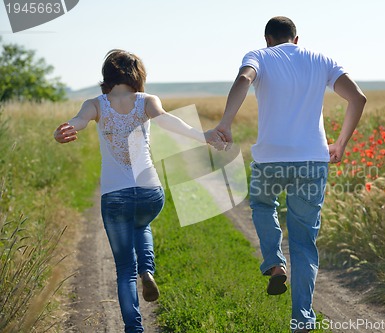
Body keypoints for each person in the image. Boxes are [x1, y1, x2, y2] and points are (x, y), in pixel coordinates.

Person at [212, 17, 366, 332]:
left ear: (268, 39)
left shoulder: (259, 56)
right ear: (296, 39)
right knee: (304, 242)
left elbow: (244, 79)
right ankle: (303, 321)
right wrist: (340, 143)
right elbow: (358, 98)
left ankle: (273, 262)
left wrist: (225, 122)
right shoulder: (321, 59)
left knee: (263, 205)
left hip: (271, 160)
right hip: (313, 160)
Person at [53, 49, 223, 333]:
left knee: (123, 272)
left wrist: (66, 130)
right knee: (141, 224)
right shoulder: (147, 101)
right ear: (138, 75)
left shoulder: (95, 104)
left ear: (107, 76)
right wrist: (202, 135)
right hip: (149, 191)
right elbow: (168, 120)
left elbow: (78, 122)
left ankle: (134, 328)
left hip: (115, 196)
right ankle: (148, 269)